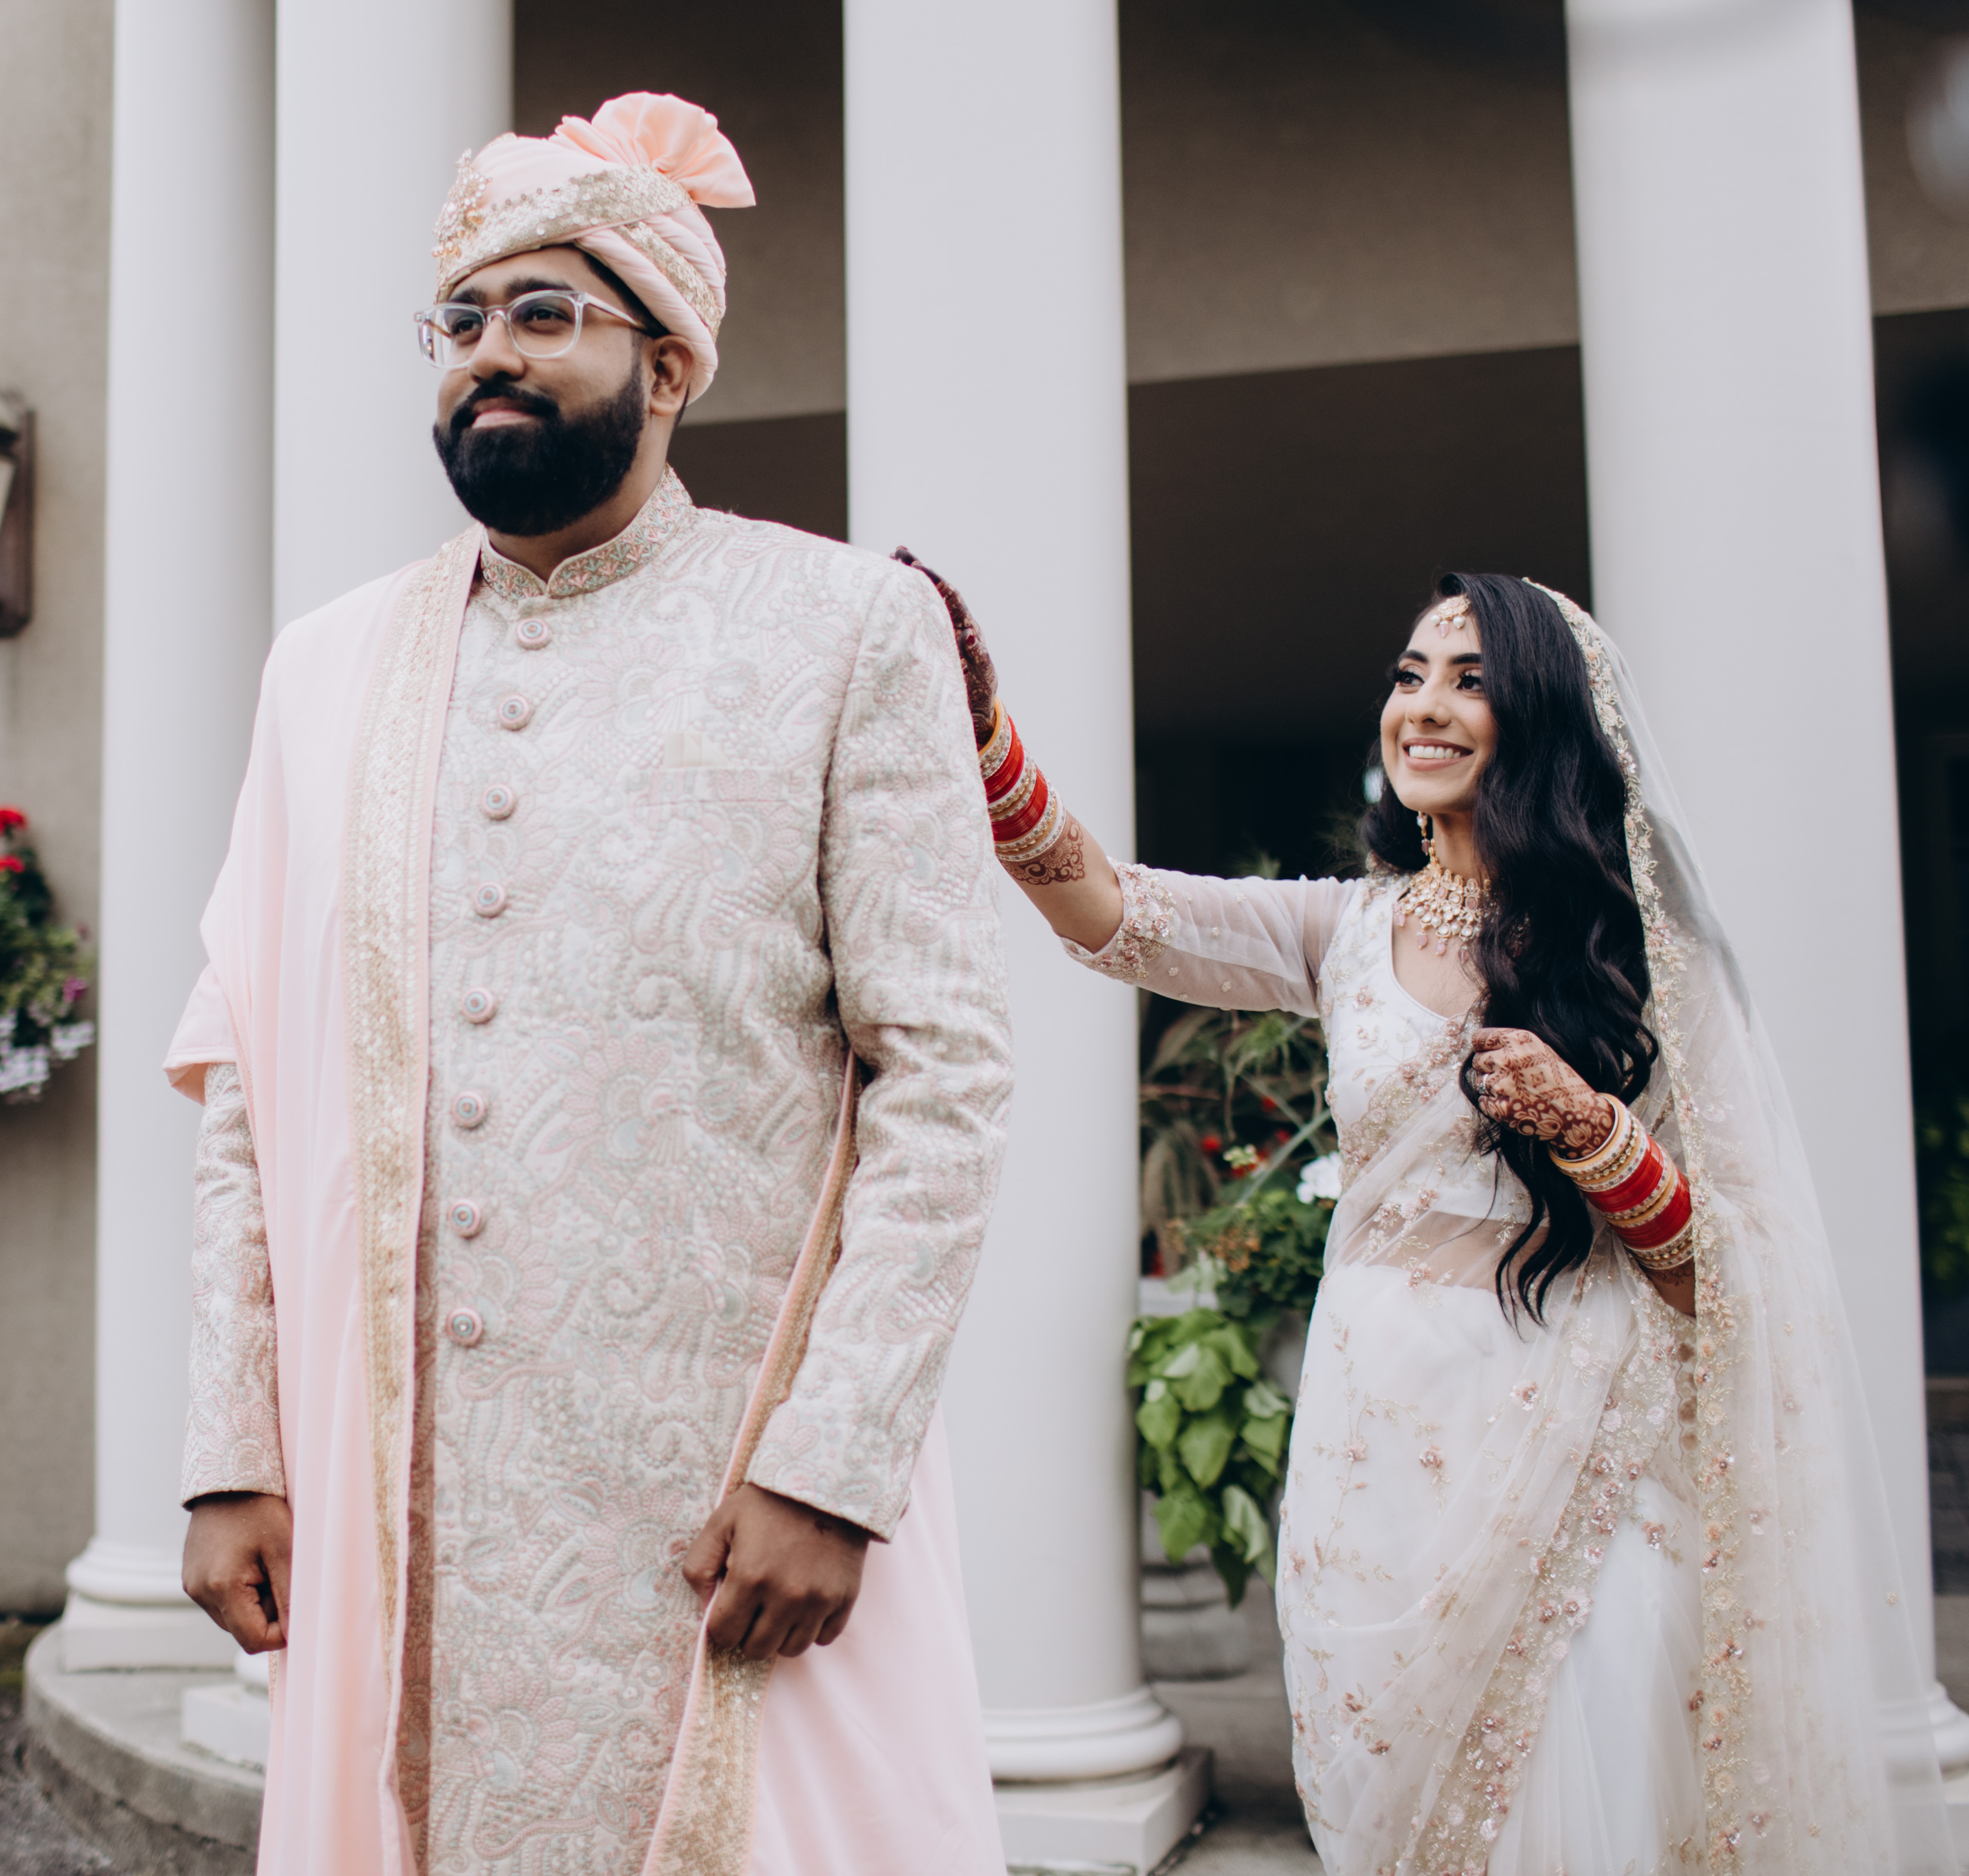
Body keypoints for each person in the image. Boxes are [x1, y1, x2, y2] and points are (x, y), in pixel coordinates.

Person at [167, 94, 1013, 1875]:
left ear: (671, 362)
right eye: (461, 319)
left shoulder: (849, 629)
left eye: (546, 313)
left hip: (728, 1498)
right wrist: (235, 1449)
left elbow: (943, 1077)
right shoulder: (324, 670)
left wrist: (835, 1464)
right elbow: (249, 1080)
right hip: (397, 1500)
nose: (490, 353)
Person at [911, 560, 1957, 1873]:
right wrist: (988, 737)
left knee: (1570, 1794)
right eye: (1411, 676)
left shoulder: (1637, 957)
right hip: (1373, 1434)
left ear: (1544, 720)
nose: (1426, 706)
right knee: (1392, 1793)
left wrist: (1596, 1132)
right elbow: (1115, 913)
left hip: (1570, 1438)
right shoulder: (1343, 930)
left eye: (1471, 680)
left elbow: (1724, 1272)